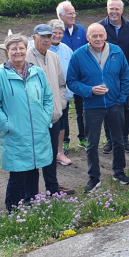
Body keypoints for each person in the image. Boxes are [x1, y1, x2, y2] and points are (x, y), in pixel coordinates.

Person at [0, 34, 53, 211]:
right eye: (13, 48)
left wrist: (46, 119)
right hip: (16, 134)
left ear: (26, 50)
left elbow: (48, 97)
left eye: (21, 48)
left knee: (34, 170)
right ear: (7, 52)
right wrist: (7, 125)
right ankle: (13, 211)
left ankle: (32, 205)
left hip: (38, 132)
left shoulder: (37, 72)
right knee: (17, 174)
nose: (18, 51)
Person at [67, 23, 129, 192]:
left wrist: (122, 98)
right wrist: (89, 90)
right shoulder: (78, 55)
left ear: (105, 36)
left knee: (118, 140)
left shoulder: (116, 52)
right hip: (92, 106)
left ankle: (119, 172)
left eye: (100, 35)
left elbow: (126, 75)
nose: (98, 39)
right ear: (87, 37)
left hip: (115, 104)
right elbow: (71, 81)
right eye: (94, 36)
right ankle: (94, 178)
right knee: (92, 143)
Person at [26, 24, 74, 195]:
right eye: (43, 37)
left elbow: (61, 83)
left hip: (54, 115)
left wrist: (60, 103)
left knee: (52, 152)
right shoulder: (26, 58)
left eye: (49, 37)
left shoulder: (53, 57)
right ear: (34, 38)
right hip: (35, 118)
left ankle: (52, 188)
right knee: (34, 154)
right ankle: (30, 193)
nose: (47, 40)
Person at [99, 0, 129, 154]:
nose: (114, 12)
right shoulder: (100, 27)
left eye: (117, 9)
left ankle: (124, 138)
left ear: (122, 10)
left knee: (125, 107)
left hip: (126, 74)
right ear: (107, 9)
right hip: (106, 74)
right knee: (108, 107)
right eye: (111, 8)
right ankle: (110, 140)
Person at [57, 0, 88, 147]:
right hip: (63, 79)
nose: (73, 15)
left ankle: (83, 137)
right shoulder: (56, 33)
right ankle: (65, 141)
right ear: (61, 16)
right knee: (63, 110)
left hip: (81, 78)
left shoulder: (81, 30)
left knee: (82, 109)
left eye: (74, 12)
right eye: (70, 13)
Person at [49, 19, 74, 165]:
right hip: (46, 97)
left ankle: (59, 152)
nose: (57, 35)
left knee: (62, 124)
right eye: (54, 32)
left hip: (63, 95)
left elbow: (72, 70)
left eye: (60, 33)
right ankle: (47, 154)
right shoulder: (41, 48)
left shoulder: (66, 49)